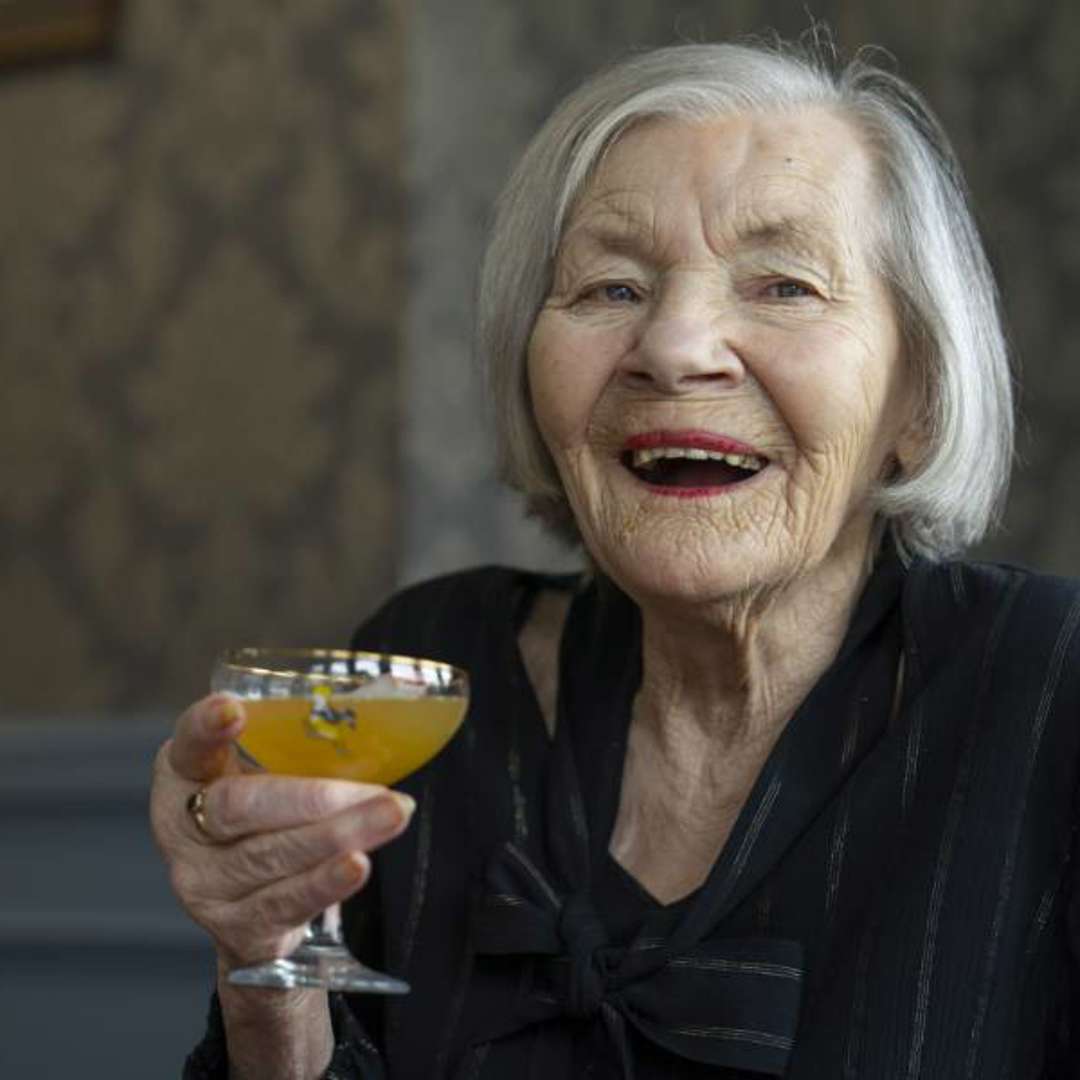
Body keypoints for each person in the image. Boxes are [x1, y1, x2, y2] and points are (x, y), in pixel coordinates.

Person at [151, 35, 1080, 1079]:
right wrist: (264, 963)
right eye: (610, 288)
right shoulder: (435, 668)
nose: (676, 347)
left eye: (784, 285)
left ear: (920, 396)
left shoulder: (1047, 684)